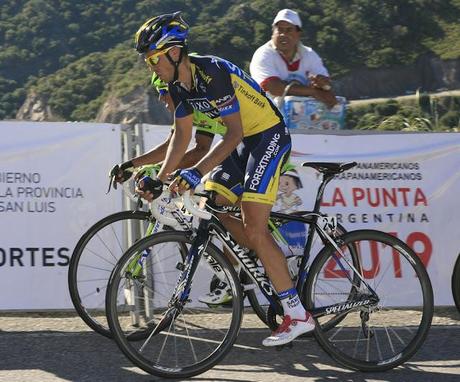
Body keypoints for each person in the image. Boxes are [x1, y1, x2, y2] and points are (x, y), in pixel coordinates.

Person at [133, 11, 315, 347]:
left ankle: (297, 313)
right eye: (148, 61)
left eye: (153, 58)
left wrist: (195, 171)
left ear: (174, 52)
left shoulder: (211, 73)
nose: (151, 67)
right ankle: (266, 258)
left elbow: (232, 135)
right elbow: (181, 138)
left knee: (255, 228)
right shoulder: (177, 84)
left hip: (267, 136)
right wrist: (159, 180)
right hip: (246, 143)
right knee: (211, 206)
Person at [250, 9, 337, 108]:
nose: (283, 34)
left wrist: (323, 85)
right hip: (268, 117)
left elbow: (327, 86)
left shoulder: (310, 55)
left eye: (289, 30)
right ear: (273, 32)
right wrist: (313, 91)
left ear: (298, 33)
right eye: (280, 30)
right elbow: (274, 88)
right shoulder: (263, 54)